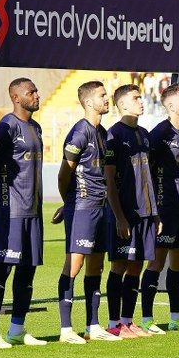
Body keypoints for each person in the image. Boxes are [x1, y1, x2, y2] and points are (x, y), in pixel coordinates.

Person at [0, 79, 47, 348]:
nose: (37, 95)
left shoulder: (36, 127)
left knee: (28, 271)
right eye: (31, 92)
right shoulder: (5, 128)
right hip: (11, 211)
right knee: (3, 269)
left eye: (36, 91)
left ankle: (17, 329)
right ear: (16, 97)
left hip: (33, 211)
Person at [56, 81, 121, 344]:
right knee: (75, 263)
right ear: (88, 102)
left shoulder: (102, 133)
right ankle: (65, 329)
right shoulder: (79, 132)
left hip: (100, 206)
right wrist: (69, 201)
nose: (107, 99)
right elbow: (64, 173)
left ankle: (93, 325)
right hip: (82, 207)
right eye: (102, 96)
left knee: (95, 265)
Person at [104, 85, 159, 338]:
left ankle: (128, 321)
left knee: (136, 266)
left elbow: (148, 178)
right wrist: (119, 216)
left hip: (146, 213)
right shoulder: (114, 135)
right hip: (126, 214)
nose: (141, 101)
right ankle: (114, 323)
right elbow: (110, 180)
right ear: (123, 105)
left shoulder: (145, 135)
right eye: (136, 98)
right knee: (119, 266)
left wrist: (155, 213)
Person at [144, 82, 179, 332]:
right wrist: (155, 212)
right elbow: (146, 174)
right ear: (170, 105)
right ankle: (146, 319)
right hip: (164, 210)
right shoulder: (158, 135)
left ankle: (176, 318)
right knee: (157, 263)